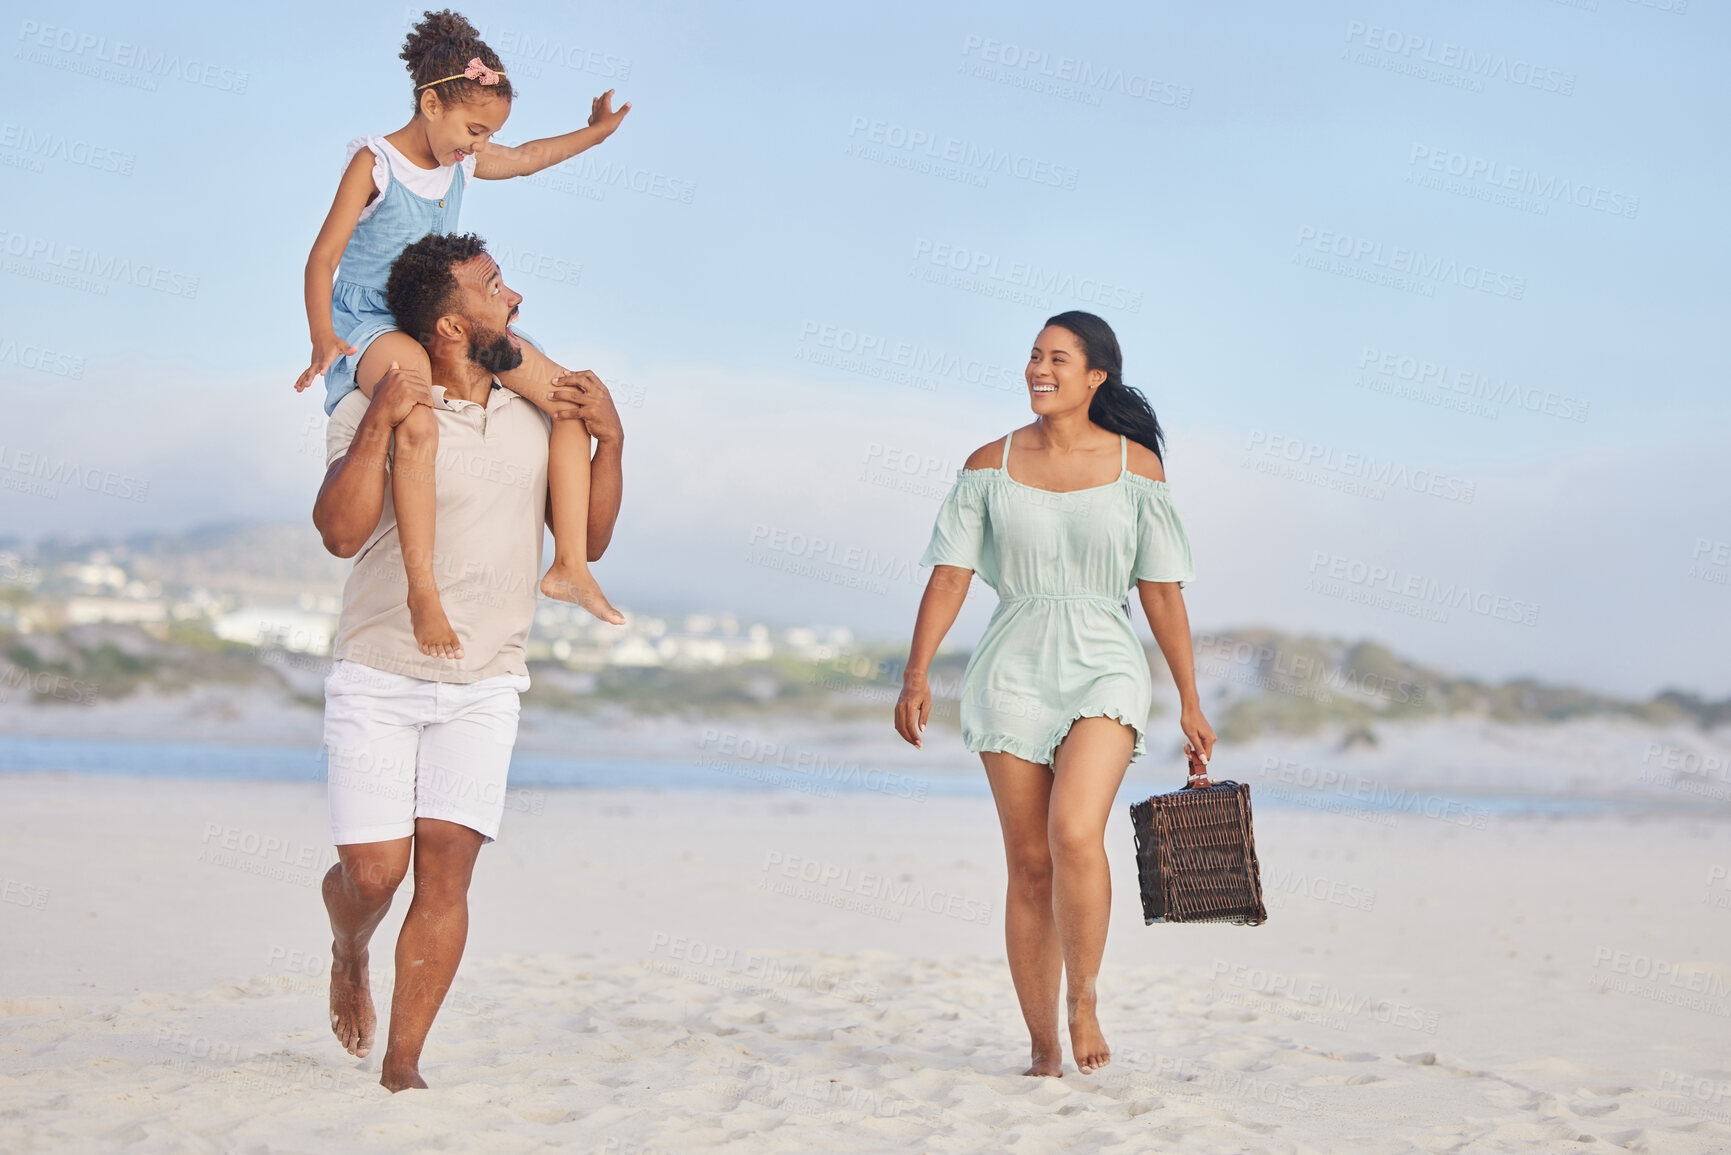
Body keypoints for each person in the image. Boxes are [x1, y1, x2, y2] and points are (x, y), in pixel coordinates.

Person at [312, 230, 624, 1091]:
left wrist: (613, 443)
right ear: (449, 325)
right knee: (374, 875)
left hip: (486, 679)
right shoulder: (377, 407)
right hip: (379, 671)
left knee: (446, 864)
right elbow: (339, 534)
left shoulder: (536, 417)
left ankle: (402, 1064)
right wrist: (378, 416)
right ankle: (348, 947)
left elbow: (587, 537)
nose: (514, 299)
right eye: (495, 287)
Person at [893, 310, 1216, 1078]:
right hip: (1012, 664)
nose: (1039, 369)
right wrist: (915, 674)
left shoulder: (1138, 469)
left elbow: (1161, 593)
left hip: (1104, 656)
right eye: (1034, 356)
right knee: (1028, 864)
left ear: (1095, 375)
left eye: (1057, 359)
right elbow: (950, 575)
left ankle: (1085, 998)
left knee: (1074, 832)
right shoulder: (987, 464)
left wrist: (1192, 700)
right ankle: (1041, 1044)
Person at [295, 8, 632, 658]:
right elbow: (322, 257)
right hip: (376, 321)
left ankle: (570, 566)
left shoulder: (463, 160)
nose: (478, 145)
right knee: (414, 412)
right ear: (430, 102)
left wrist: (594, 134)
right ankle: (423, 593)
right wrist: (321, 335)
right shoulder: (376, 163)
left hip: (445, 315)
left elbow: (531, 157)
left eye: (487, 135)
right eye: (473, 129)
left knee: (565, 396)